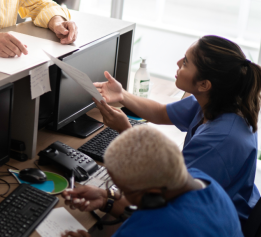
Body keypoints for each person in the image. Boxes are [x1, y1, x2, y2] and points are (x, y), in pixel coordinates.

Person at [92, 35, 260, 225]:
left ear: (204, 84)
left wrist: (126, 131)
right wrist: (121, 95)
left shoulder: (220, 141)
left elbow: (165, 189)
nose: (178, 62)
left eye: (186, 62)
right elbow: (161, 113)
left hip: (214, 221)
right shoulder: (215, 100)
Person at [61, 125, 243, 237]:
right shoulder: (204, 182)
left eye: (124, 191)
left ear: (153, 193)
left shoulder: (144, 230)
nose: (119, 193)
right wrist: (105, 198)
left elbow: (156, 223)